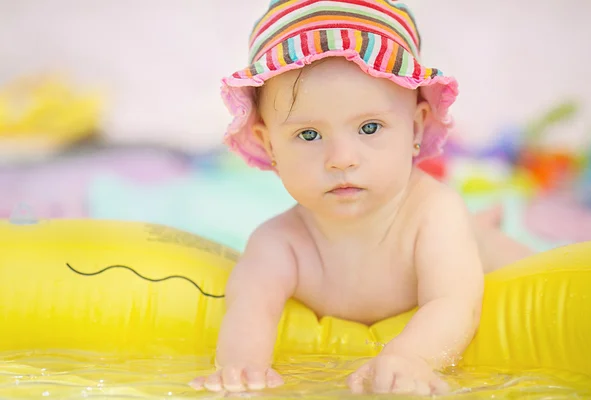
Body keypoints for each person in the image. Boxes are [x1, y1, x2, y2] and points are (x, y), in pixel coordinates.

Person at [190, 0, 533, 395]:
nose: (342, 159)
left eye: (370, 127)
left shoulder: (434, 214)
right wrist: (241, 367)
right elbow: (250, 309)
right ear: (269, 147)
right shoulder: (279, 243)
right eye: (308, 135)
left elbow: (454, 302)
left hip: (466, 247)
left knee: (509, 258)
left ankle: (484, 227)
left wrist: (412, 357)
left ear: (416, 127)